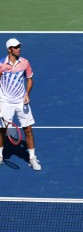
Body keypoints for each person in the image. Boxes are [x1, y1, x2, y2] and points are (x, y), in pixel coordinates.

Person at [0, 38, 41, 171]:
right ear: (9, 49)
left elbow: (29, 79)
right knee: (2, 131)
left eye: (19, 46)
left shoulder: (24, 63)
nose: (19, 48)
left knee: (28, 129)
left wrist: (27, 94)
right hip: (5, 101)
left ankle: (32, 158)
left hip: (20, 101)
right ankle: (0, 156)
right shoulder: (1, 64)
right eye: (15, 47)